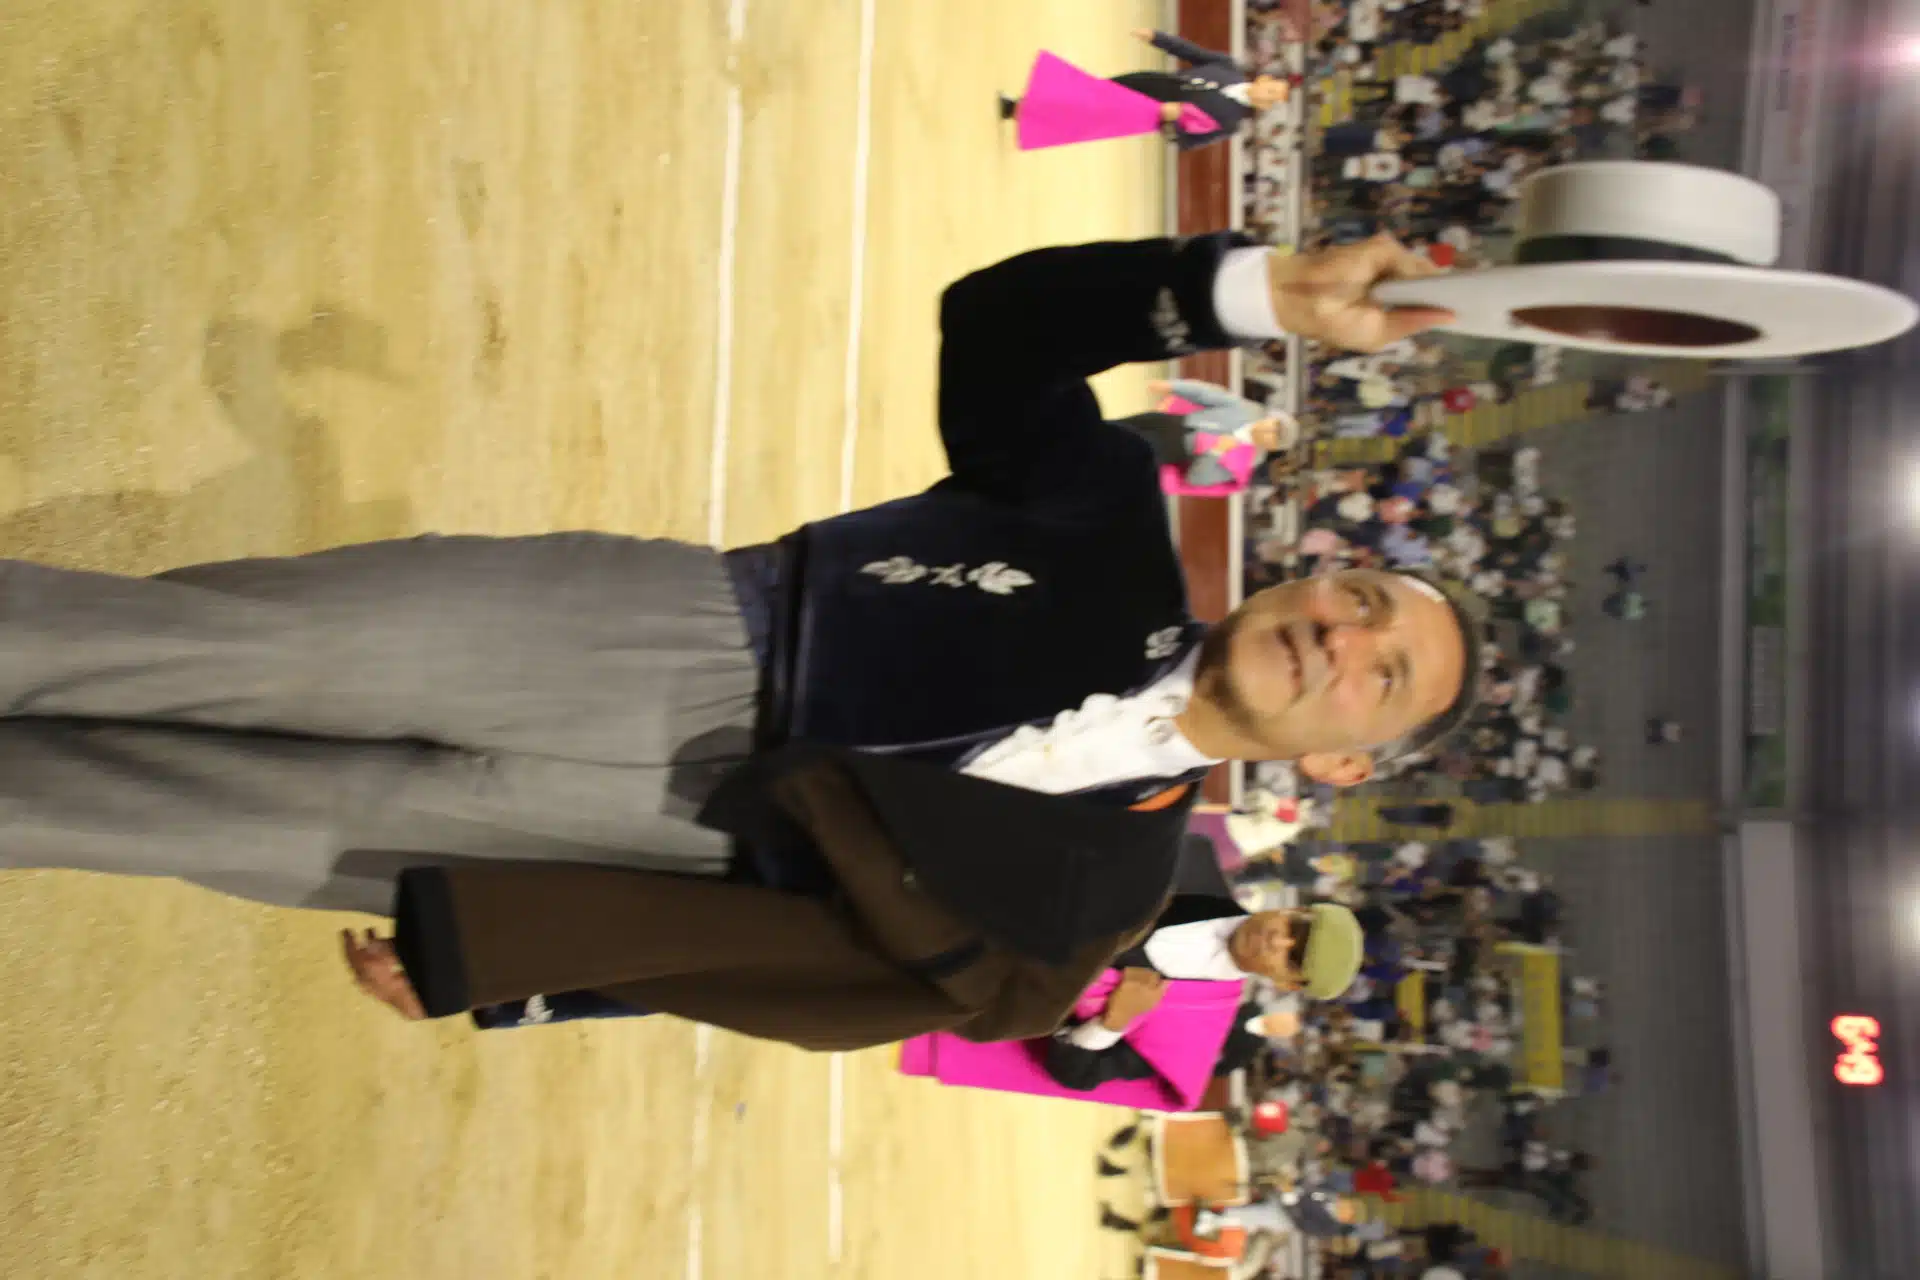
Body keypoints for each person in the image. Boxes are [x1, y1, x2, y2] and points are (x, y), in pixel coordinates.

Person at [0, 225, 1467, 1048]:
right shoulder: (1106, 518)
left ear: (1342, 764)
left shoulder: (1120, 882)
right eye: (1361, 602)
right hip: (667, 636)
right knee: (195, 648)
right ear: (1316, 576)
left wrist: (536, 975)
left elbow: (818, 967)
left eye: (1382, 676)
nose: (1343, 642)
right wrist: (1243, 293)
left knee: (169, 819)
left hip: (654, 854)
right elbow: (999, 328)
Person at [1002, 29, 1295, 152]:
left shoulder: (1231, 122)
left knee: (1088, 113)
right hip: (1153, 82)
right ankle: (1024, 108)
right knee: (1089, 92)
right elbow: (1190, 51)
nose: (1266, 97)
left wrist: (1172, 121)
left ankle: (1020, 110)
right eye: (1271, 90)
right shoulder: (1227, 66)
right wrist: (1156, 38)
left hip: (1147, 113)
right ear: (1263, 79)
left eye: (1271, 100)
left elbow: (1187, 143)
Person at [1119, 376, 1299, 493]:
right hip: (1164, 421)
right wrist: (1173, 386)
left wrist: (1216, 452)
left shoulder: (1246, 461)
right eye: (1274, 425)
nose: (1268, 430)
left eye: (1275, 436)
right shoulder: (1247, 409)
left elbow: (1196, 479)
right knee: (1112, 429)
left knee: (1115, 455)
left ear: (1272, 446)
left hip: (1170, 450)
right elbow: (1205, 394)